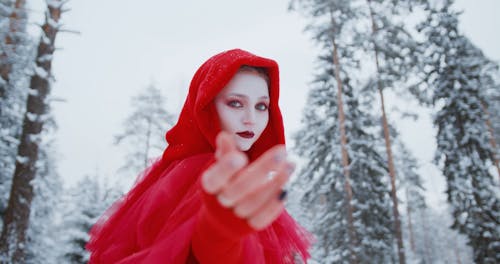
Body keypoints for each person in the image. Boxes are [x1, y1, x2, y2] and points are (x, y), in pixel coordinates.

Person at [87, 48, 312, 263]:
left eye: (262, 106)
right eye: (235, 103)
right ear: (206, 107)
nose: (251, 118)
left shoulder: (178, 172)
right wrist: (222, 230)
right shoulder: (202, 173)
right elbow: (205, 250)